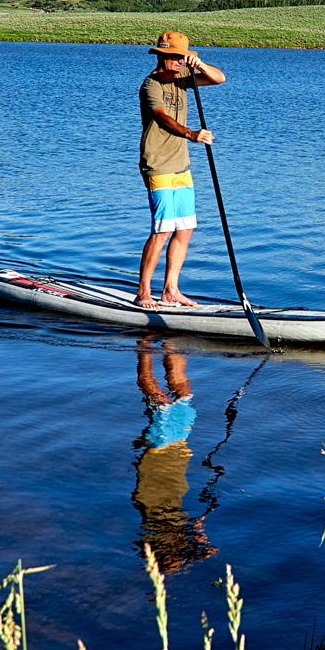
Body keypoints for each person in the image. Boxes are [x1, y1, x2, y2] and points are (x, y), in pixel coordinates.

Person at [136, 30, 226, 308]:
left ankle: (171, 291)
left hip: (181, 166)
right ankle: (143, 293)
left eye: (181, 57)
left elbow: (218, 78)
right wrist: (192, 134)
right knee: (162, 230)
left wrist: (199, 65)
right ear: (162, 57)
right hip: (158, 164)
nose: (178, 62)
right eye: (173, 57)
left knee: (185, 228)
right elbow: (162, 118)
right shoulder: (151, 84)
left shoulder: (184, 79)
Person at [132, 338, 216, 572]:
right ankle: (158, 343)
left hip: (171, 447)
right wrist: (197, 534)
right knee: (168, 389)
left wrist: (196, 536)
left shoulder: (155, 528)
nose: (175, 564)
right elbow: (210, 551)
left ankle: (158, 343)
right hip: (171, 447)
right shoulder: (171, 524)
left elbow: (209, 551)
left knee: (168, 391)